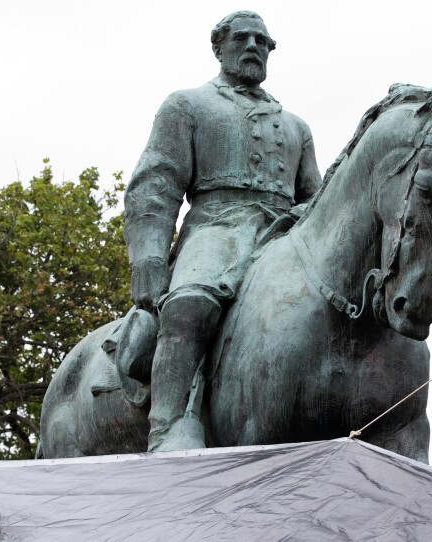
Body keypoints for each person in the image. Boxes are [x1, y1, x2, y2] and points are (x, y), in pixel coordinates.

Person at [124, 11, 322, 452]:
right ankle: (170, 428)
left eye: (263, 41)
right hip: (216, 228)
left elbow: (315, 198)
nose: (254, 45)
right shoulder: (188, 105)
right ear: (219, 47)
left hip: (284, 233)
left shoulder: (296, 127)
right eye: (242, 37)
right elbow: (154, 186)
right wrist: (150, 259)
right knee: (190, 304)